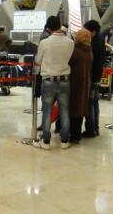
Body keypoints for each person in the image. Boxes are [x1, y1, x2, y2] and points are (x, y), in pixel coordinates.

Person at [33, 15, 73, 150]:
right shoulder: (70, 42)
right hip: (65, 80)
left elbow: (38, 61)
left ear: (48, 28)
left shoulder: (45, 42)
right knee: (65, 110)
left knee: (47, 111)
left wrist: (37, 71)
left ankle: (45, 141)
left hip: (48, 80)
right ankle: (65, 140)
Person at [68, 29, 93, 143]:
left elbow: (68, 62)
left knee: (73, 109)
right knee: (81, 109)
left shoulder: (76, 51)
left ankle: (73, 135)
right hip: (85, 83)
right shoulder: (89, 51)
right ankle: (77, 135)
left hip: (75, 82)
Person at [83, 20, 104, 138]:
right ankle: (95, 127)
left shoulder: (92, 44)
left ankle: (90, 129)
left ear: (93, 32)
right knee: (95, 103)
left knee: (90, 103)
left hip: (92, 77)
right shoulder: (100, 41)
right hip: (98, 76)